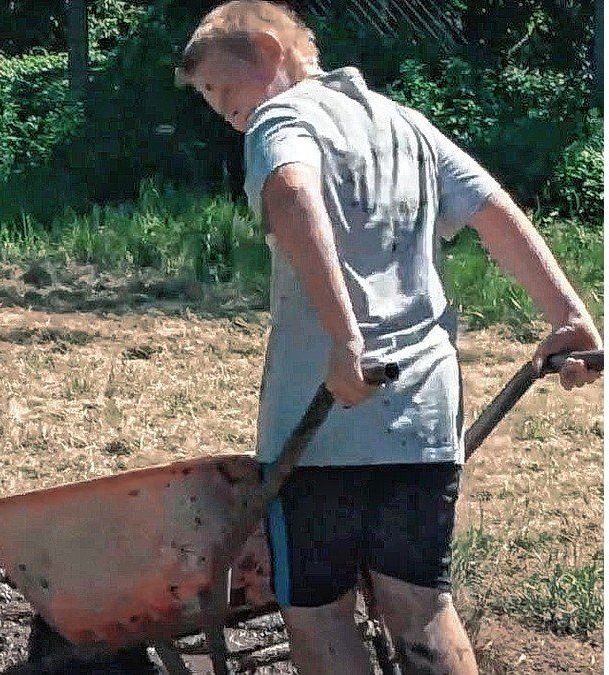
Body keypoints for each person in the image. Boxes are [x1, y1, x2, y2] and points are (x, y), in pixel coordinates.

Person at [176, 2, 601, 672]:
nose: (220, 106)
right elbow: (493, 210)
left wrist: (347, 343)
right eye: (206, 98)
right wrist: (568, 315)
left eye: (221, 86)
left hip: (325, 428)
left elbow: (290, 195)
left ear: (265, 49)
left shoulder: (281, 119)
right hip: (425, 422)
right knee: (421, 602)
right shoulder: (406, 125)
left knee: (318, 607)